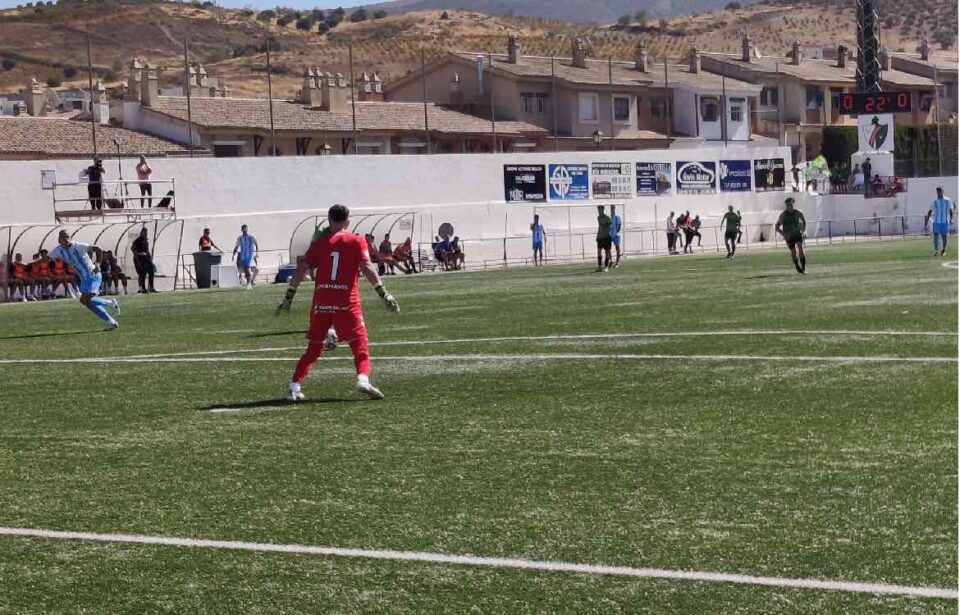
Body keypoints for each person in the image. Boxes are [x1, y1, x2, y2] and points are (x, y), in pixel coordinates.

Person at [276, 204, 400, 401]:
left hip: (322, 303)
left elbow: (302, 268)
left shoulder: (320, 244)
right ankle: (362, 378)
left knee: (314, 347)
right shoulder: (356, 240)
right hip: (346, 302)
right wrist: (384, 294)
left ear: (329, 220)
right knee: (359, 342)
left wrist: (289, 295)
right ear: (348, 221)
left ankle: (295, 386)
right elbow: (367, 267)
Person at [48, 230, 120, 330]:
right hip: (84, 279)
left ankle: (111, 303)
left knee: (88, 299)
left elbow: (98, 249)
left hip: (93, 274)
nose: (66, 239)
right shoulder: (57, 250)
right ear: (59, 240)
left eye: (68, 236)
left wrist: (97, 264)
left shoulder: (78, 246)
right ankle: (110, 321)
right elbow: (47, 258)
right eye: (64, 237)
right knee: (85, 302)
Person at [775, 197, 807, 274]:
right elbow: (777, 227)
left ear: (793, 204)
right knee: (793, 252)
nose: (789, 206)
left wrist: (803, 231)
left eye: (791, 204)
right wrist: (784, 235)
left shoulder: (798, 213)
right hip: (789, 236)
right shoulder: (783, 215)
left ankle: (803, 267)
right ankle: (796, 265)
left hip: (797, 233)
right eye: (788, 205)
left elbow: (803, 221)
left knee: (800, 247)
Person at [926, 187, 955, 256]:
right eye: (937, 191)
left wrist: (951, 218)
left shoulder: (948, 200)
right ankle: (936, 250)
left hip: (944, 222)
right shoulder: (934, 201)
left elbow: (951, 210)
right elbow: (930, 211)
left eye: (940, 191)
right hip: (936, 222)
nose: (939, 193)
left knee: (944, 236)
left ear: (942, 191)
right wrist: (927, 220)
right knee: (936, 236)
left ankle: (944, 250)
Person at [233, 224, 259, 289]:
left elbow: (256, 245)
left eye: (245, 229)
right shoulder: (240, 238)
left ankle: (249, 283)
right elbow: (236, 247)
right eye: (243, 229)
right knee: (246, 270)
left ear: (247, 229)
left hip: (250, 256)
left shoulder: (251, 237)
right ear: (241, 230)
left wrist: (257, 253)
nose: (245, 230)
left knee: (248, 269)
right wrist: (233, 255)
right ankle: (248, 282)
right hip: (243, 257)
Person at [132, 227, 156, 293]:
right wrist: (137, 259)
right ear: (142, 232)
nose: (146, 234)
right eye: (145, 232)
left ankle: (151, 288)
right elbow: (133, 249)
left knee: (151, 271)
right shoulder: (138, 240)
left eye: (146, 232)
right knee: (142, 273)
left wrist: (150, 258)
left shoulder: (146, 240)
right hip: (140, 258)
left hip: (146, 258)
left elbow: (147, 250)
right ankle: (143, 288)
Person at [595, 205, 612, 272]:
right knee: (599, 251)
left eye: (600, 209)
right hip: (600, 237)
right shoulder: (598, 217)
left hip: (607, 237)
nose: (599, 211)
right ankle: (599, 266)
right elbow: (600, 227)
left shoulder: (607, 218)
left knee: (607, 252)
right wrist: (598, 235)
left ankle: (606, 266)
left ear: (603, 210)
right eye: (598, 210)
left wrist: (605, 234)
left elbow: (609, 228)